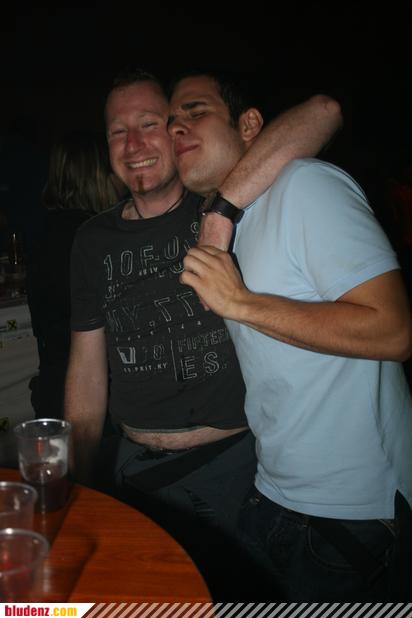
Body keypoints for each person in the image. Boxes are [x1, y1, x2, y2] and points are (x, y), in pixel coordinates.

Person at [64, 69, 341, 598]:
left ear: (176, 135)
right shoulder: (91, 240)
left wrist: (220, 213)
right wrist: (77, 486)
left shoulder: (229, 202)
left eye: (150, 124)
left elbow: (323, 113)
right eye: (118, 131)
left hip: (233, 471)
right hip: (133, 473)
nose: (134, 144)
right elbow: (86, 370)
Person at [169, 70, 412, 601]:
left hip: (351, 515)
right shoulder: (225, 224)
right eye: (170, 122)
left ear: (250, 125)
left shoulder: (304, 186)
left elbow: (393, 330)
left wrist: (241, 302)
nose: (175, 128)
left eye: (195, 111)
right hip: (275, 490)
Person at [26, 131, 123, 418]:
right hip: (90, 395)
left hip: (56, 385)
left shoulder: (47, 230)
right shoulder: (91, 238)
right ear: (98, 176)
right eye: (114, 168)